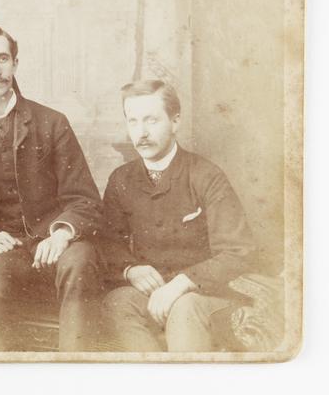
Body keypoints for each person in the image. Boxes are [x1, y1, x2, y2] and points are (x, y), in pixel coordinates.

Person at [0, 24, 104, 352]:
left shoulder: (51, 122)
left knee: (81, 265)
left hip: (55, 240)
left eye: (3, 59)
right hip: (1, 248)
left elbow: (84, 198)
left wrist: (62, 233)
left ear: (15, 64)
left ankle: (77, 372)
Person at [101, 80, 256, 352]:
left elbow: (238, 251)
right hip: (153, 291)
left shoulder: (206, 175)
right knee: (118, 302)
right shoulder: (121, 180)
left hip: (205, 294)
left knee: (185, 307)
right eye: (133, 121)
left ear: (175, 121)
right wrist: (130, 269)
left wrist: (183, 283)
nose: (142, 133)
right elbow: (108, 243)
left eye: (151, 121)